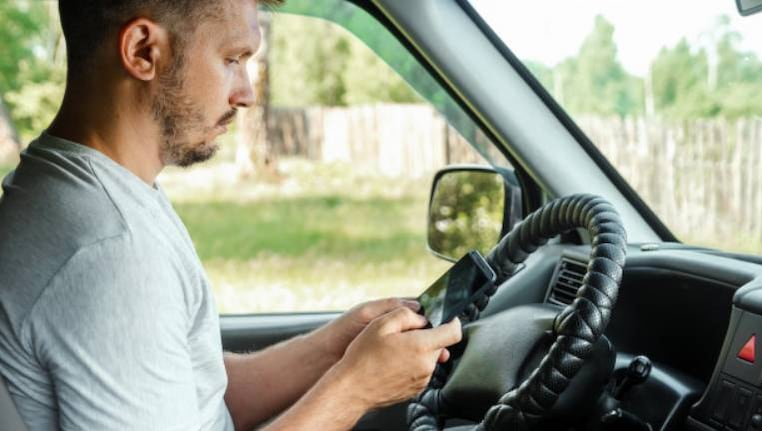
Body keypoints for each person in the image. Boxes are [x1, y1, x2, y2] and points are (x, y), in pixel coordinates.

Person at [0, 0, 463, 430]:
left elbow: (196, 393)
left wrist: (335, 347)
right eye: (232, 59)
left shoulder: (81, 190)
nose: (245, 95)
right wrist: (354, 389)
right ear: (144, 50)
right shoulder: (110, 253)